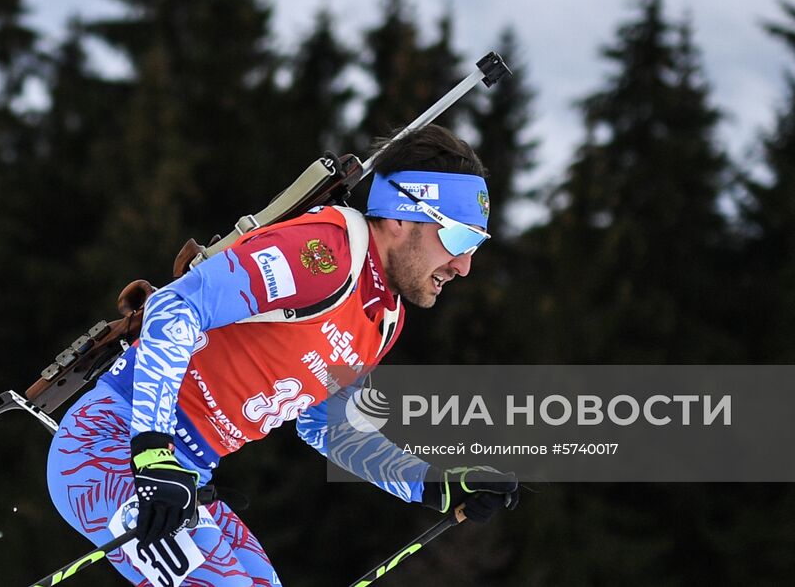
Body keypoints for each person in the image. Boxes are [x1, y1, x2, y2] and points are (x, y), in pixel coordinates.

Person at [46, 125, 519, 586]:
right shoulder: (325, 254)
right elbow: (177, 306)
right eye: (459, 240)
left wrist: (431, 485)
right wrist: (150, 452)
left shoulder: (383, 318)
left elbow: (330, 427)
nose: (464, 266)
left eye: (476, 246)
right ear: (400, 216)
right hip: (109, 446)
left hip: (186, 475)